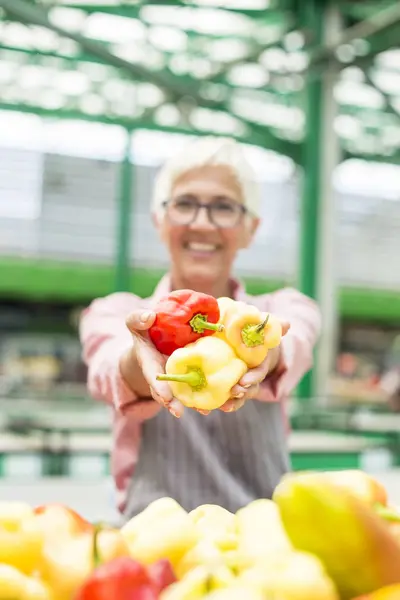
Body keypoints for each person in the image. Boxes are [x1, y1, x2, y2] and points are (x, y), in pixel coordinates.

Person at [79, 136, 321, 520]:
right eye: (185, 204)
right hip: (154, 543)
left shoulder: (281, 310)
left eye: (224, 207)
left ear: (250, 229)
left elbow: (296, 342)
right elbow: (108, 369)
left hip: (263, 541)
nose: (202, 223)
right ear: (160, 221)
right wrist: (143, 359)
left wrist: (264, 348)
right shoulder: (117, 315)